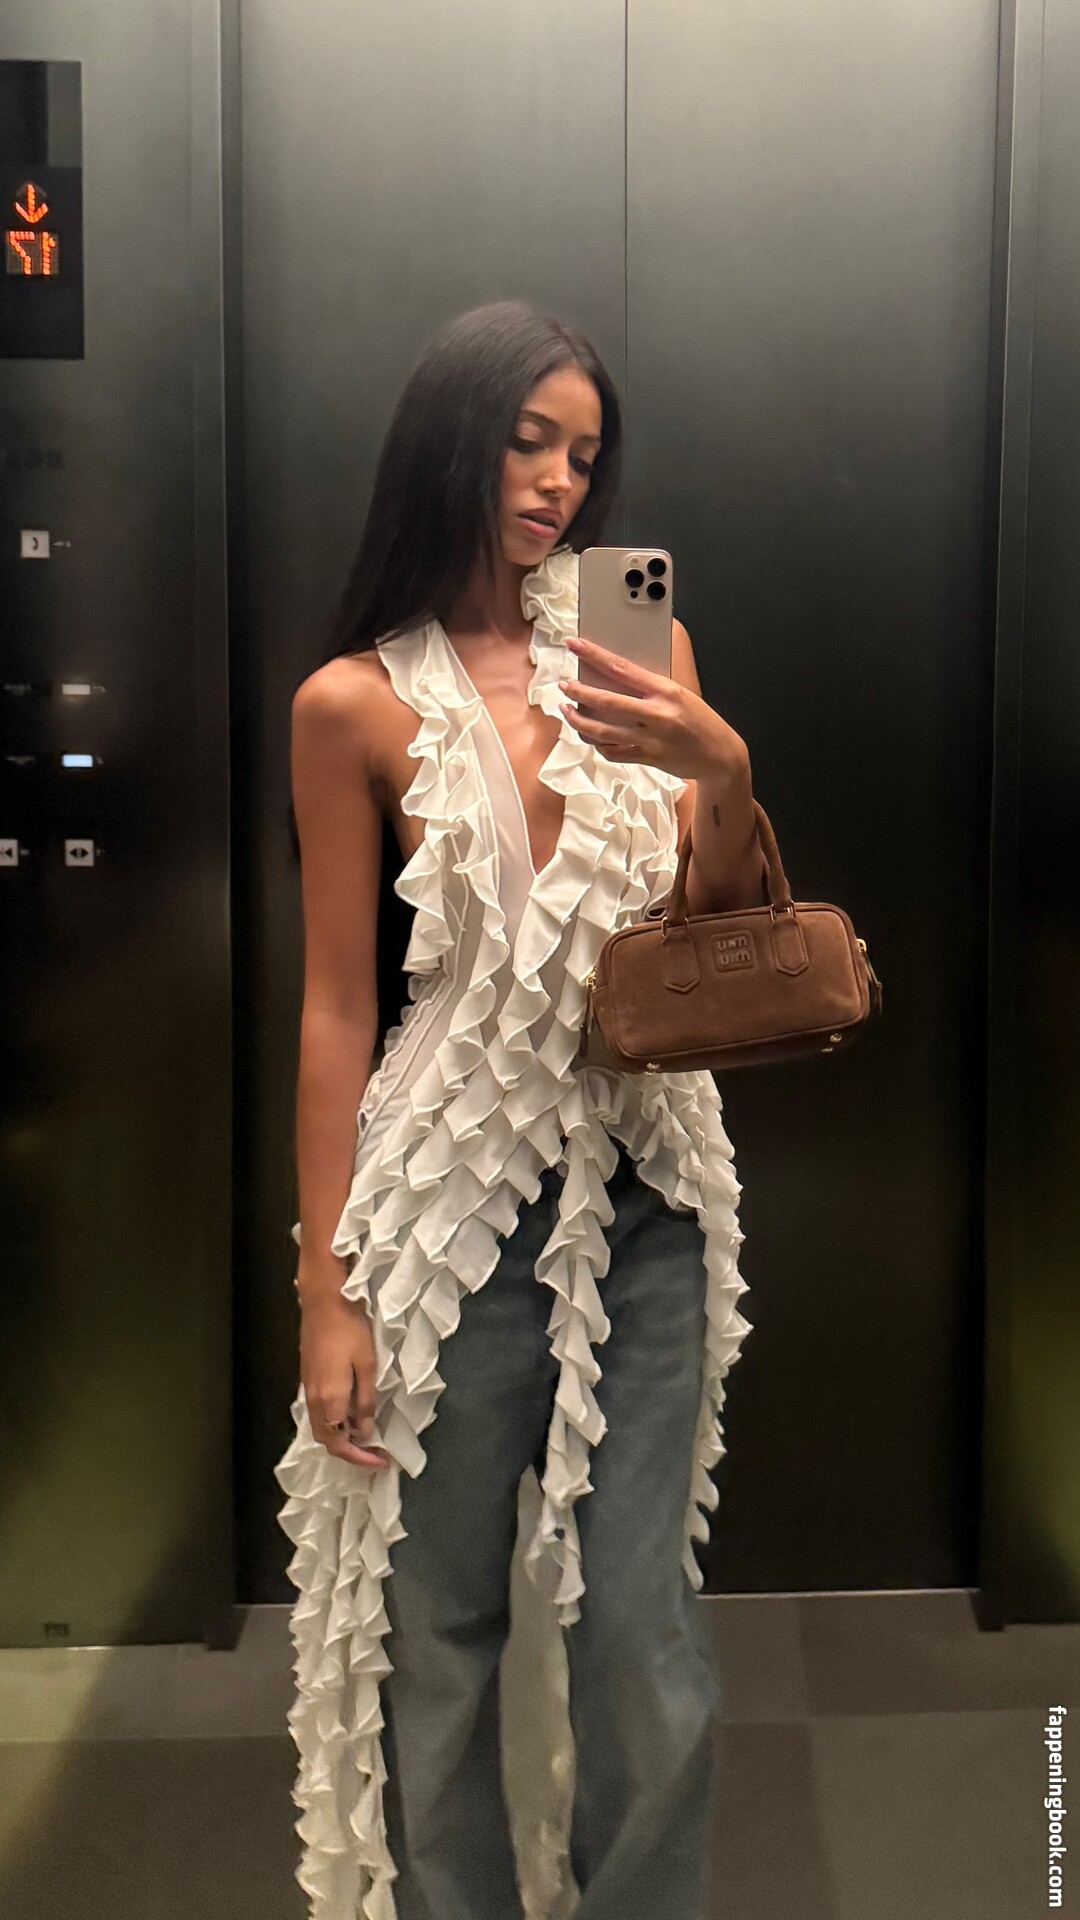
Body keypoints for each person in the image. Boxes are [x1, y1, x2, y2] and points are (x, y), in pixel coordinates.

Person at [274, 298, 762, 1920]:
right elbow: (339, 1007)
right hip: (442, 1209)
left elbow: (719, 925)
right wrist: (326, 1287)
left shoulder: (646, 653)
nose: (559, 481)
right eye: (527, 440)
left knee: (641, 1624)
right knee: (436, 1631)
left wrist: (722, 767)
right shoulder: (352, 704)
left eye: (584, 453)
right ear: (452, 442)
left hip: (649, 1189)